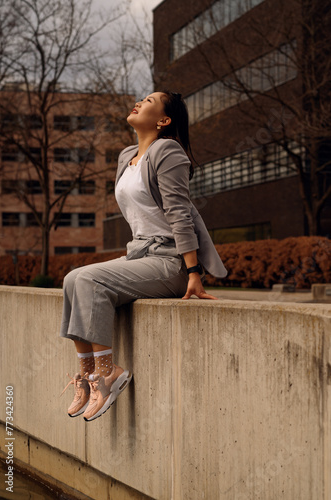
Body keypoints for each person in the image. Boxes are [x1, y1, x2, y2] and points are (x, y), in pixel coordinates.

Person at [60, 91, 227, 422]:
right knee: (72, 279)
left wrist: (193, 272)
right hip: (140, 253)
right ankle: (90, 374)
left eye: (149, 101)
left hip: (170, 260)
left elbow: (179, 213)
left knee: (91, 280)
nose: (139, 102)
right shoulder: (126, 156)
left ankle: (109, 374)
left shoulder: (169, 151)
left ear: (163, 120)